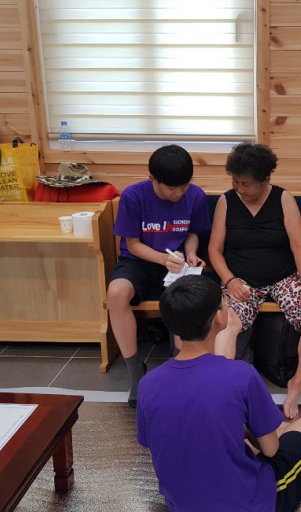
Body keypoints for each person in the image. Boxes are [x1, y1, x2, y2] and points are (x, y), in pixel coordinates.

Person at [136, 275, 301, 512]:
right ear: (218, 318)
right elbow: (271, 450)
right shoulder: (242, 375)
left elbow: (155, 443)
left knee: (239, 437)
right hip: (251, 503)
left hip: (181, 504)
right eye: (224, 303)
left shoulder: (147, 384)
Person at [208, 143, 301, 419]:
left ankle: (296, 384)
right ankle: (221, 391)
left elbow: (299, 246)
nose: (239, 188)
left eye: (246, 184)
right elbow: (214, 249)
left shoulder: (283, 199)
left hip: (282, 277)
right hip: (241, 279)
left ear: (266, 179)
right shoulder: (226, 201)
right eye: (235, 182)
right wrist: (230, 280)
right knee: (227, 322)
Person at [107, 144, 214, 407]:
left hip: (177, 263)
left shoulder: (195, 195)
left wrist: (191, 253)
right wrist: (162, 259)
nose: (179, 193)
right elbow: (133, 245)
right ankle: (136, 372)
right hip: (139, 262)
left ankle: (180, 368)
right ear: (153, 179)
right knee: (116, 293)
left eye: (184, 186)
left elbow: (192, 233)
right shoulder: (133, 196)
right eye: (172, 188)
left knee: (184, 301)